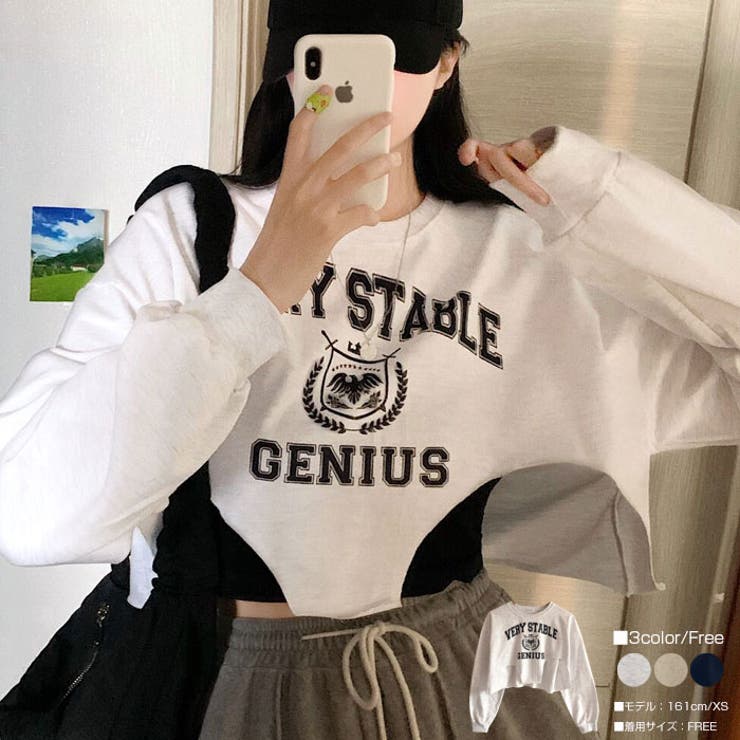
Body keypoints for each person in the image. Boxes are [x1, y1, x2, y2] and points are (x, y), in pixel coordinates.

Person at [1, 0, 739, 738]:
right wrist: (259, 285)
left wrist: (597, 193)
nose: (365, 83)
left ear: (446, 61)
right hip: (210, 680)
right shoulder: (192, 227)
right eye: (324, 51)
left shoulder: (522, 252)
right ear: (286, 65)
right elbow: (32, 520)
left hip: (448, 678)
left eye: (396, 50)